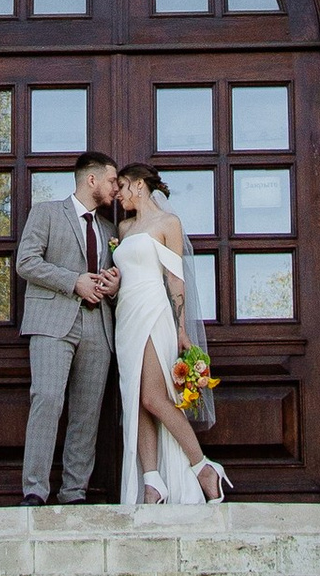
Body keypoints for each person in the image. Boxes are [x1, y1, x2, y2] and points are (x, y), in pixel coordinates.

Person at [111, 163, 230, 506]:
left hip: (153, 312)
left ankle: (203, 466)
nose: (117, 193)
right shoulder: (124, 226)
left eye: (121, 186)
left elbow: (175, 280)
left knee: (153, 397)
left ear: (137, 185)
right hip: (126, 315)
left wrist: (181, 329)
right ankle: (152, 482)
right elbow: (124, 271)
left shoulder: (168, 224)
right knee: (136, 399)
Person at [15, 148, 120, 505]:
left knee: (87, 412)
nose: (116, 189)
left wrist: (113, 286)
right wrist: (74, 281)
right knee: (46, 399)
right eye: (111, 181)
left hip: (98, 327)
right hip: (51, 322)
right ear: (91, 180)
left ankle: (74, 491)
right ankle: (35, 491)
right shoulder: (45, 213)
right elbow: (26, 262)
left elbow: (113, 280)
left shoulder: (109, 229)